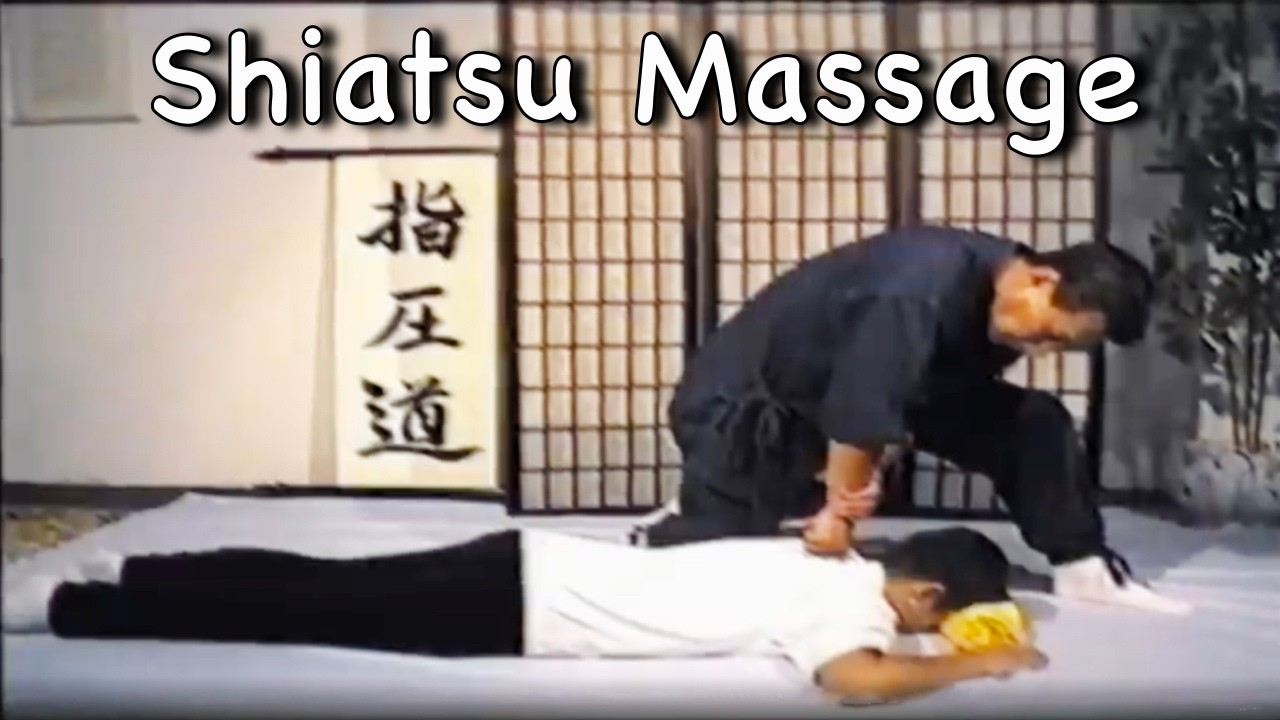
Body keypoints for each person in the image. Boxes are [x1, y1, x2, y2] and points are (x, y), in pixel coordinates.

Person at [640, 225, 1190, 615]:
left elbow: (904, 393)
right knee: (720, 568)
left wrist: (859, 477)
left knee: (1034, 422)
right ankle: (682, 519)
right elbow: (864, 401)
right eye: (1048, 334)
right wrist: (840, 515)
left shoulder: (1004, 294)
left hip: (837, 399)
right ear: (1042, 279)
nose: (1042, 350)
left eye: (1060, 346)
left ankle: (1083, 565)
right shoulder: (922, 286)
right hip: (745, 411)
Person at [2, 527, 1046, 705]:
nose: (936, 634)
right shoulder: (849, 601)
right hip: (510, 604)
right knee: (293, 608)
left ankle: (127, 572)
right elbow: (853, 684)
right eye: (944, 620)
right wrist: (971, 668)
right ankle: (73, 606)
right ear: (923, 595)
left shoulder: (829, 558)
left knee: (309, 584)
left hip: (521, 568)